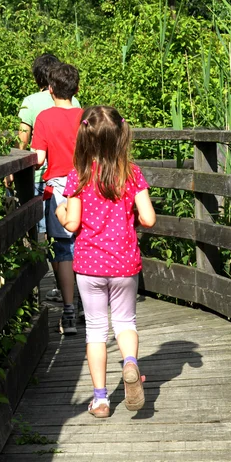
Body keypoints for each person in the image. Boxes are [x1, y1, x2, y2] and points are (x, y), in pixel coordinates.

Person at [55, 106, 156, 418]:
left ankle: (100, 399)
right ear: (121, 137)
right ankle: (130, 363)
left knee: (96, 331)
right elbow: (149, 218)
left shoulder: (79, 176)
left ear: (86, 138)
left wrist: (60, 213)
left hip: (88, 266)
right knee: (126, 323)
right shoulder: (132, 174)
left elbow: (71, 224)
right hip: (125, 263)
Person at [4, 54, 80, 303]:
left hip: (43, 180)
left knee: (48, 238)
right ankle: (75, 295)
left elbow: (26, 143)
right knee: (73, 238)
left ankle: (50, 294)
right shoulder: (78, 106)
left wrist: (12, 169)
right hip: (78, 181)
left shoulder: (33, 106)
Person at [31, 63, 83, 335]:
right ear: (76, 90)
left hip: (59, 189)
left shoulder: (44, 119)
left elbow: (38, 158)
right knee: (84, 244)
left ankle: (69, 311)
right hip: (86, 186)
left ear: (50, 89)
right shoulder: (86, 117)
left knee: (63, 250)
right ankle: (88, 304)